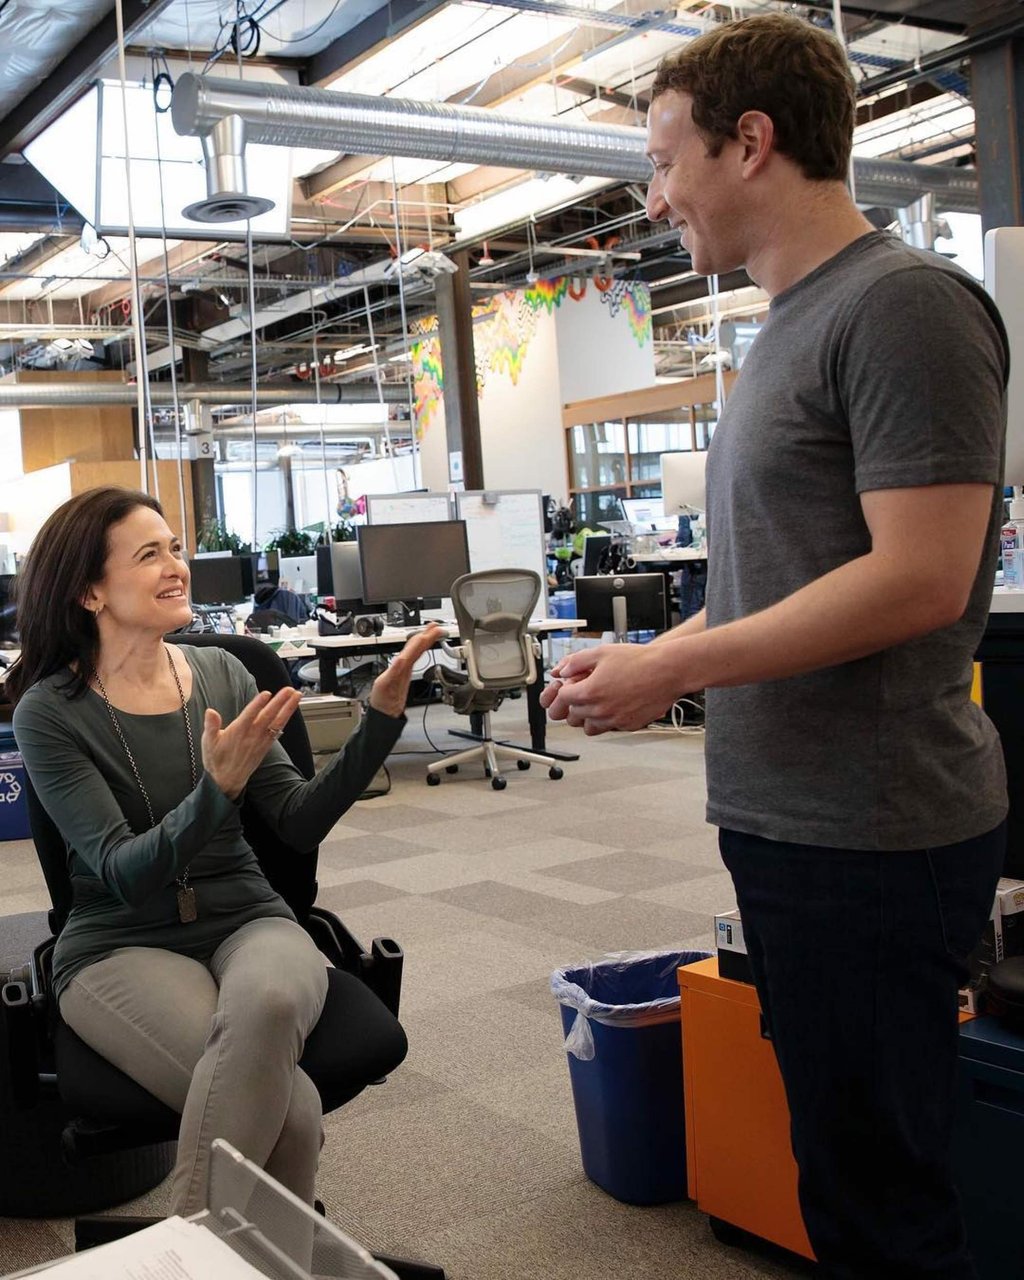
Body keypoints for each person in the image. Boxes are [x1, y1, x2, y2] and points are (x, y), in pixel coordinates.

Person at [542, 15, 1009, 1279]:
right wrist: (650, 658)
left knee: (881, 1196)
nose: (655, 197)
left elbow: (921, 578)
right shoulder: (783, 330)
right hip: (794, 812)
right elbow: (777, 577)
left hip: (873, 823)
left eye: (664, 159)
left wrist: (676, 668)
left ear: (750, 143)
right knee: (842, 1163)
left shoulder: (904, 306)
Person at [7, 487, 441, 1217]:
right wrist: (216, 789)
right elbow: (125, 875)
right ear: (89, 590)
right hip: (119, 939)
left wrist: (382, 723)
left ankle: (186, 1256)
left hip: (248, 918)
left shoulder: (223, 674)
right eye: (150, 555)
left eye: (175, 548)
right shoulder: (49, 712)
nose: (176, 566)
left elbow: (296, 824)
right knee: (292, 1112)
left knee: (272, 998)